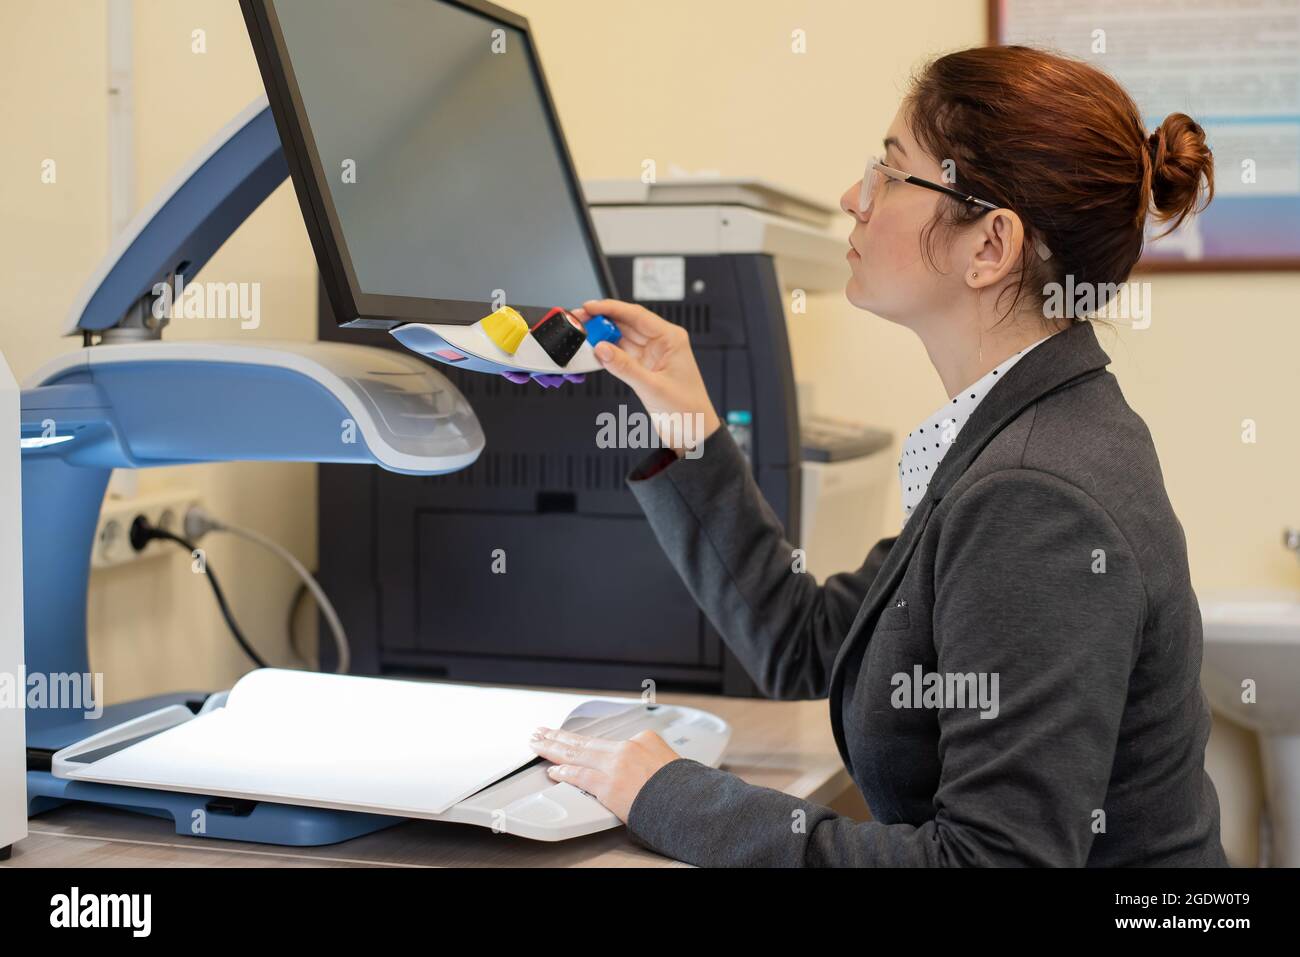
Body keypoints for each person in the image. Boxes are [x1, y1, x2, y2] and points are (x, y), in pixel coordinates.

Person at [527, 45, 1225, 867]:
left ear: (989, 246)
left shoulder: (1036, 494)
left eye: (891, 174)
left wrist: (670, 792)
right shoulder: (1021, 431)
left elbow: (990, 862)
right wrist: (687, 421)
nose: (855, 198)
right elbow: (808, 640)